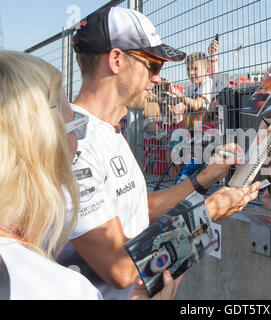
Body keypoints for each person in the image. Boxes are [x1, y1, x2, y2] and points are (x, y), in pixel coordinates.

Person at [58, 7, 260, 300]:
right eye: (153, 65)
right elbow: (121, 268)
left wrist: (202, 180)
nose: (157, 78)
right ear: (116, 60)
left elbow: (141, 207)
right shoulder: (74, 143)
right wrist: (209, 211)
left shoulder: (107, 129)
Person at [0, 50, 181, 300]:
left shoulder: (114, 133)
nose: (77, 145)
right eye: (75, 126)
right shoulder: (60, 289)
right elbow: (120, 267)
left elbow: (140, 206)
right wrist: (196, 227)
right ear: (39, 146)